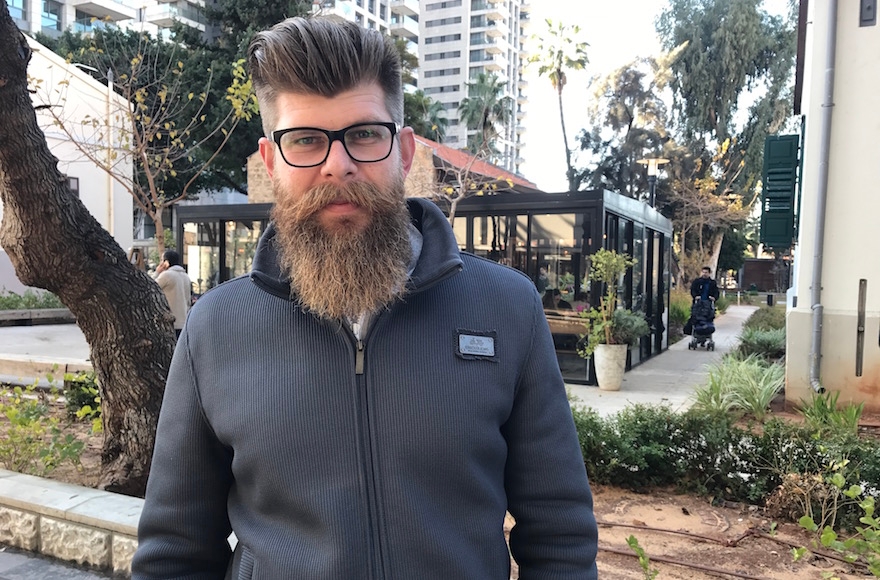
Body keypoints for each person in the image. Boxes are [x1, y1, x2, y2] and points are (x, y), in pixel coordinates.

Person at [132, 16, 598, 580]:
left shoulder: (506, 309)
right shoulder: (215, 329)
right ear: (271, 160)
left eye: (364, 134)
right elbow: (174, 554)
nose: (338, 164)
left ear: (403, 151)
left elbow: (560, 535)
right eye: (305, 140)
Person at [153, 250, 191, 338]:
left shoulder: (166, 275)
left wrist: (157, 272)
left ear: (166, 263)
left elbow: (150, 287)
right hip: (183, 321)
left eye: (162, 260)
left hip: (169, 321)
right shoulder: (186, 276)